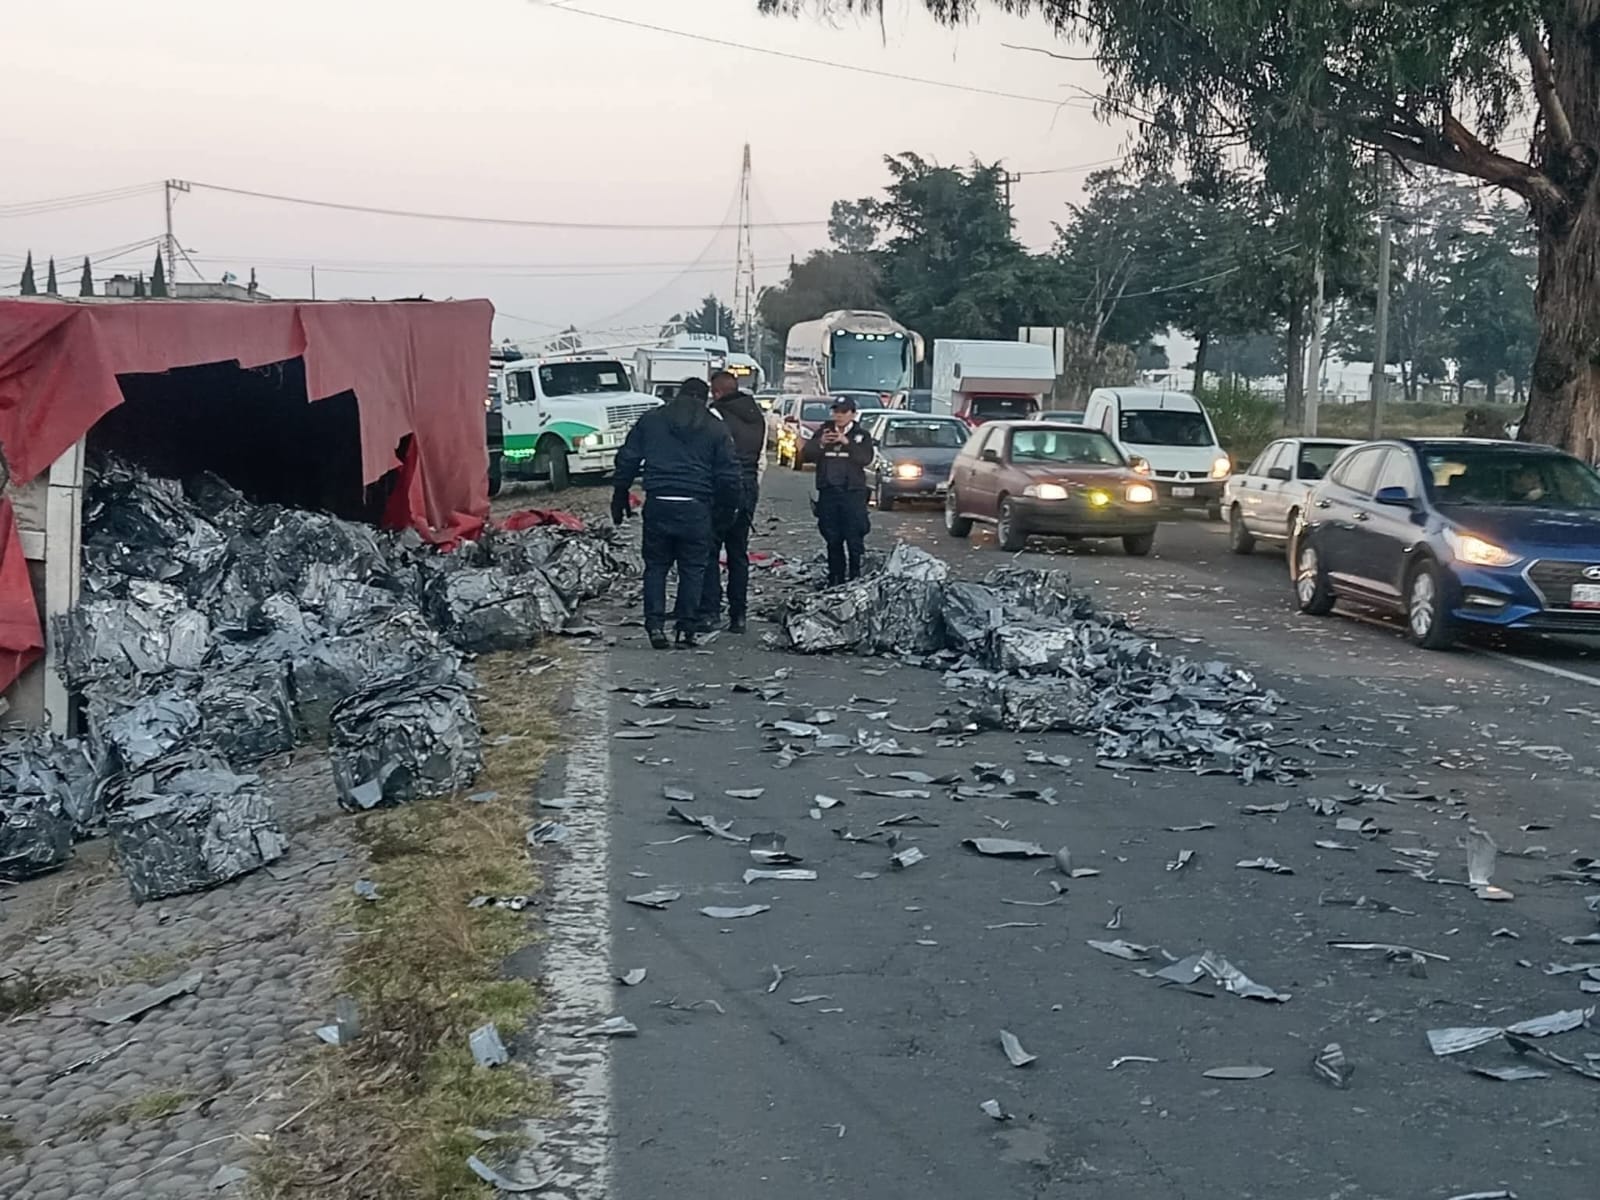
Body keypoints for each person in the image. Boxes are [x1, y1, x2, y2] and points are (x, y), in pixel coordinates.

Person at [612, 377, 740, 649]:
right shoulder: (716, 428)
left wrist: (620, 492)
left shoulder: (651, 420)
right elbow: (728, 475)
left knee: (656, 567)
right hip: (696, 506)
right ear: (705, 398)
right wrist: (725, 513)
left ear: (678, 394)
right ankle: (686, 628)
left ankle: (655, 626)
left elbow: (628, 457)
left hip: (659, 502)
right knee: (693, 568)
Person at [697, 370, 768, 633]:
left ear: (716, 392)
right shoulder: (757, 416)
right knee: (738, 553)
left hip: (721, 488)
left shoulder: (716, 415)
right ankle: (739, 615)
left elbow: (708, 454)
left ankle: (711, 611)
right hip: (748, 486)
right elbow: (761, 459)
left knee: (711, 550)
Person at [801, 395, 875, 586]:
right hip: (829, 493)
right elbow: (806, 455)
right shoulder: (823, 431)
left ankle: (856, 578)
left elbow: (865, 458)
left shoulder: (861, 436)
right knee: (832, 539)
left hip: (852, 494)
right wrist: (820, 444)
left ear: (852, 414)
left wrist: (847, 442)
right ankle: (835, 579)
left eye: (843, 412)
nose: (839, 416)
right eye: (836, 411)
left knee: (854, 538)